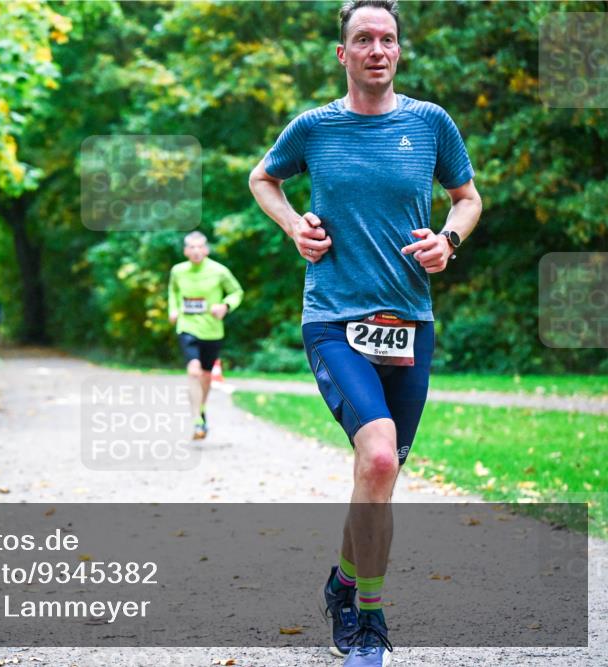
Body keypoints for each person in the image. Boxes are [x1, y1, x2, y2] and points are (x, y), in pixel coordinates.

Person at [247, 1, 482, 664]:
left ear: (398, 50)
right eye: (363, 39)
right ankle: (368, 621)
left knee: (380, 473)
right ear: (343, 54)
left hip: (411, 322)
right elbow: (261, 177)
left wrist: (449, 240)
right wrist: (294, 225)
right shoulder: (314, 128)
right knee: (377, 457)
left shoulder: (431, 123)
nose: (377, 48)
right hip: (334, 319)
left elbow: (467, 197)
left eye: (387, 38)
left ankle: (343, 582)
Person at [167, 231, 243, 440]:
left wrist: (225, 306)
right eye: (191, 247)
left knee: (207, 376)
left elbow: (237, 292)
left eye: (200, 246)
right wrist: (172, 309)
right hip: (187, 326)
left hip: (212, 330)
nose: (196, 251)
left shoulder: (219, 271)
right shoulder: (178, 271)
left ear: (206, 249)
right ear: (185, 251)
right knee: (194, 371)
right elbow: (172, 292)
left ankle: (200, 409)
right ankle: (196, 420)